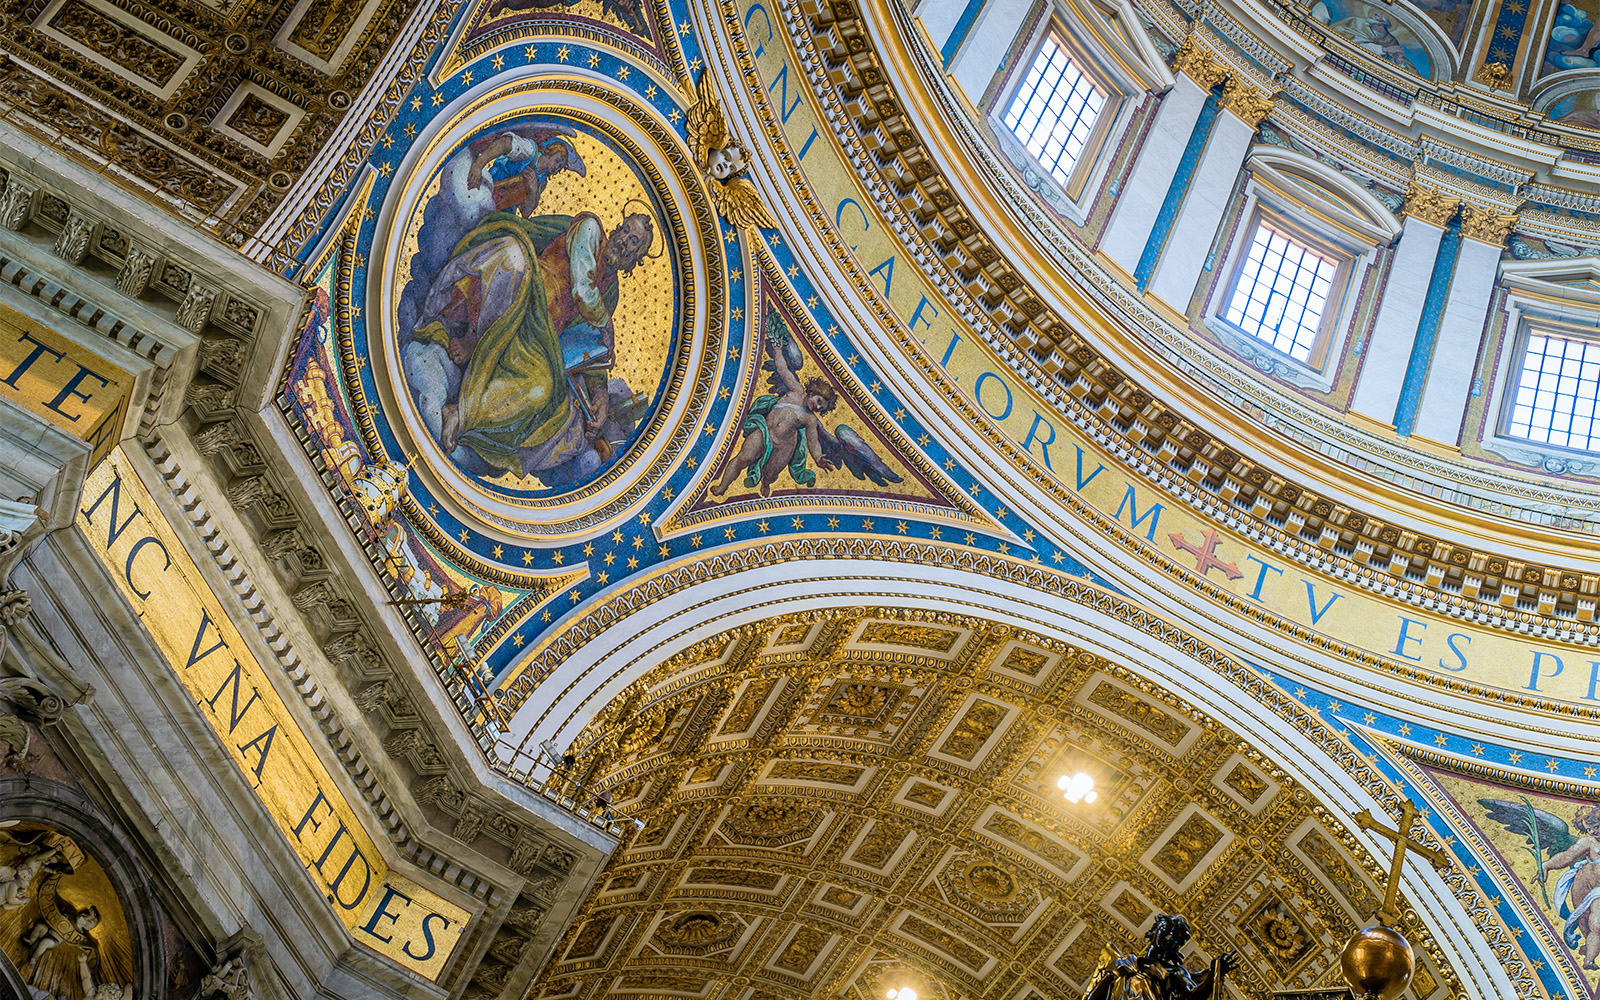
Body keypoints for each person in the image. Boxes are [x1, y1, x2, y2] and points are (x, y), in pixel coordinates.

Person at [413, 209, 654, 480]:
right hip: (528, 288)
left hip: (540, 333)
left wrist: (599, 392)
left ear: (637, 258)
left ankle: (460, 414)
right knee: (511, 261)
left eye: (634, 241)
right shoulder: (590, 228)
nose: (624, 240)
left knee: (542, 388)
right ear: (616, 228)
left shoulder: (610, 292)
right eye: (624, 231)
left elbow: (591, 344)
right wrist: (607, 324)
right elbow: (583, 290)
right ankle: (475, 338)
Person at [711, 333, 839, 498]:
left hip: (785, 446)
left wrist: (818, 457)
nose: (818, 406)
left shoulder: (810, 419)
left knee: (771, 473)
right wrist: (778, 351)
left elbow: (812, 441)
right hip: (765, 431)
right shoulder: (795, 390)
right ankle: (723, 486)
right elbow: (783, 370)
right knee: (744, 458)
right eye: (819, 400)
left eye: (821, 407)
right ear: (813, 391)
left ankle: (765, 481)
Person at [1084, 914, 1236, 1000]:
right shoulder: (1125, 964)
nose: (1168, 937)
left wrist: (1216, 974)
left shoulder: (1174, 971)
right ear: (1155, 930)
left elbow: (1194, 996)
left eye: (1174, 936)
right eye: (1165, 930)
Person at [1548, 804, 1600, 967]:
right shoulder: (1589, 842)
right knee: (1587, 922)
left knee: (1596, 924)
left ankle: (1589, 957)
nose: (1593, 831)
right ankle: (1590, 953)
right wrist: (1547, 865)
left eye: (1596, 827)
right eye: (1589, 829)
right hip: (1588, 888)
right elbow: (1567, 856)